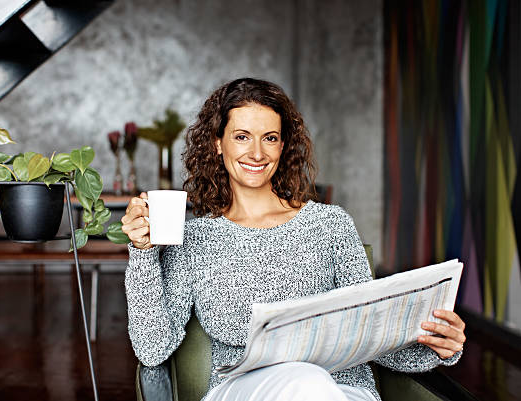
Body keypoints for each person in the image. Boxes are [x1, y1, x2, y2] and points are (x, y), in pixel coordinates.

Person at [122, 78, 466, 401]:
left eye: (269, 138)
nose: (257, 153)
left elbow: (369, 336)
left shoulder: (331, 225)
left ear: (283, 145)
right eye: (242, 136)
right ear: (217, 143)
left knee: (314, 385)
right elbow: (153, 348)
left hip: (342, 389)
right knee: (306, 381)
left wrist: (437, 346)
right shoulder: (195, 238)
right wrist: (142, 253)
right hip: (244, 389)